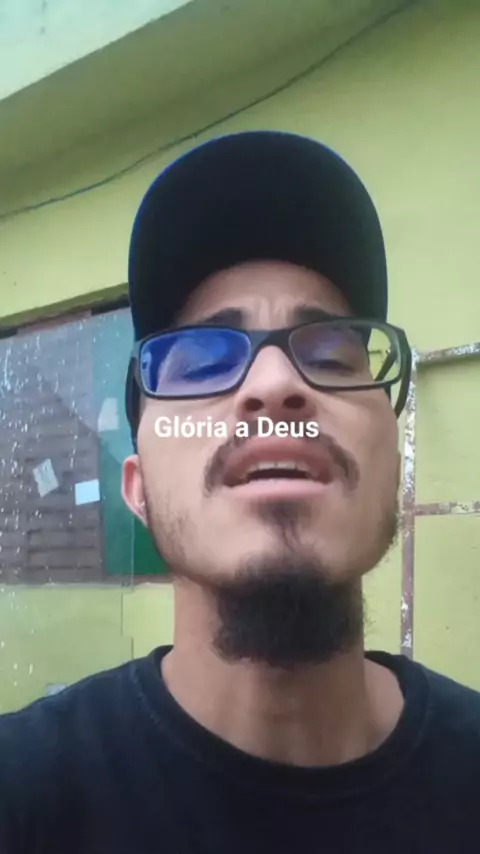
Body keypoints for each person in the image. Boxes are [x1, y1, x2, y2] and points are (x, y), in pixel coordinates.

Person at [0, 130, 479, 854]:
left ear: (393, 462)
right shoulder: (23, 796)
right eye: (199, 361)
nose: (276, 384)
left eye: (331, 354)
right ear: (138, 490)